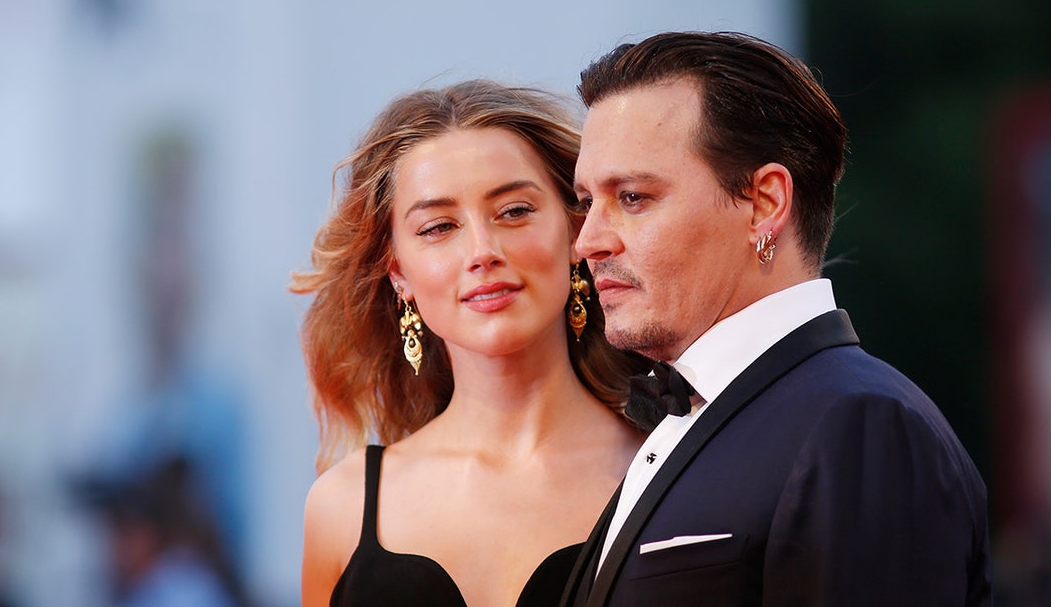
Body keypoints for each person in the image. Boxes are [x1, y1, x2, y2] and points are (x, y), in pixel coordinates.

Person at [560, 31, 992, 606]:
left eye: (633, 197)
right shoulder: (694, 413)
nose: (587, 241)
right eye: (587, 201)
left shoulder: (860, 424)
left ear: (764, 203)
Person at [291, 79, 650, 606]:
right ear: (399, 275)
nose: (482, 251)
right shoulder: (341, 509)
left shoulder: (671, 465)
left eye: (514, 212)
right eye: (438, 227)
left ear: (576, 230)